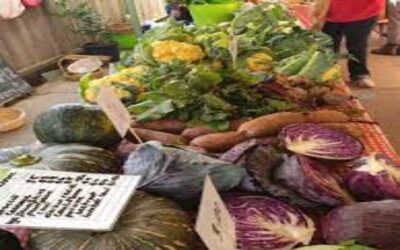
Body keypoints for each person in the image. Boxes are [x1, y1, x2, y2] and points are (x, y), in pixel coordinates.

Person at [312, 0, 385, 88]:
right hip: (329, 11)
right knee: (328, 46)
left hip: (363, 11)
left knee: (357, 45)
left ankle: (359, 74)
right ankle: (327, 73)